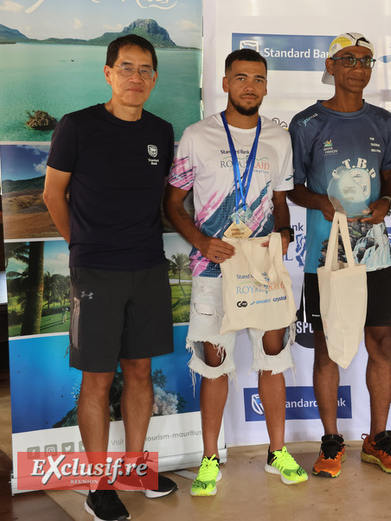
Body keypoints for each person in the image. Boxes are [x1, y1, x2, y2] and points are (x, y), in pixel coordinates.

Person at [43, 34, 178, 521]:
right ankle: (98, 485)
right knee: (98, 379)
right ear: (108, 73)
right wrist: (81, 246)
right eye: (126, 67)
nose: (135, 77)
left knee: (139, 371)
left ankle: (135, 470)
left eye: (145, 70)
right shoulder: (77, 126)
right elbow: (52, 194)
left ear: (154, 78)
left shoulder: (161, 131)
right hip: (97, 271)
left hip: (148, 267)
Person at [164, 48, 305, 496]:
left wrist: (284, 232)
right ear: (225, 83)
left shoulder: (278, 138)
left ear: (266, 86)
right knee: (214, 362)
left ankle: (277, 452)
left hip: (262, 269)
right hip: (214, 267)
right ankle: (209, 459)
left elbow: (280, 200)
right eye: (241, 77)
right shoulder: (197, 136)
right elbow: (173, 203)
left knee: (273, 357)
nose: (250, 86)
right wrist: (201, 241)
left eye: (258, 79)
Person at [288, 32, 391, 478]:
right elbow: (292, 187)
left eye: (365, 61)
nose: (358, 68)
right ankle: (331, 441)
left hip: (374, 254)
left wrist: (386, 202)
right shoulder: (306, 123)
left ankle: (378, 440)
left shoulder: (383, 122)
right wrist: (319, 201)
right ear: (331, 66)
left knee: (382, 343)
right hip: (327, 257)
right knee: (326, 346)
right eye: (348, 60)